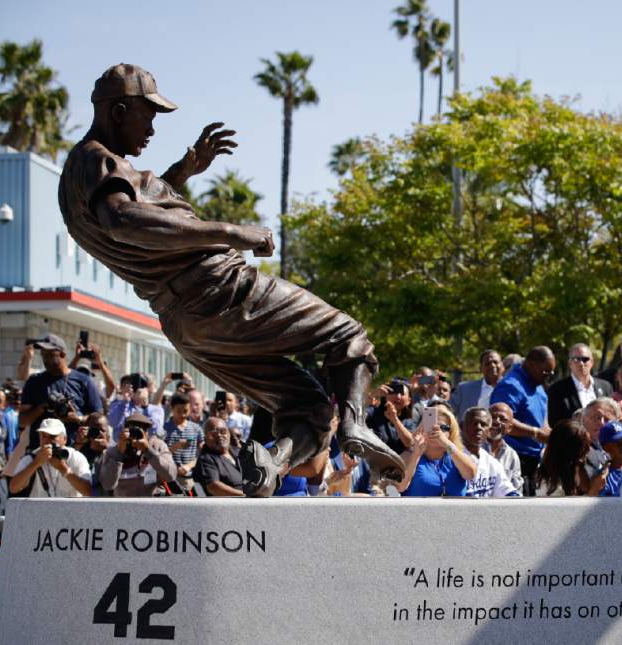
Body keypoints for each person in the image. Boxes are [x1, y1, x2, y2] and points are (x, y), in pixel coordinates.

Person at [58, 63, 402, 495]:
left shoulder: (90, 173)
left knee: (308, 406)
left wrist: (183, 171)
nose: (152, 128)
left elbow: (138, 206)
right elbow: (125, 220)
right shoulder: (96, 158)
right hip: (217, 289)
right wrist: (232, 232)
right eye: (149, 116)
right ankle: (356, 425)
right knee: (349, 338)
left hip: (186, 322)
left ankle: (272, 463)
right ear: (120, 110)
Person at [13, 334, 102, 457]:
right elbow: (22, 421)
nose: (46, 359)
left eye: (50, 355)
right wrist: (43, 407)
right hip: (40, 452)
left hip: (73, 452)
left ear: (62, 355)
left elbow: (98, 418)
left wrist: (77, 418)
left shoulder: (83, 381)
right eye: (43, 355)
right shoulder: (35, 382)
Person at [490, 346, 555, 496]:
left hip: (534, 462)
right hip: (514, 460)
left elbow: (541, 420)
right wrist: (536, 433)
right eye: (545, 371)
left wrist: (551, 435)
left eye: (551, 372)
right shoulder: (511, 386)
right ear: (531, 363)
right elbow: (500, 423)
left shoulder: (537, 384)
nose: (548, 376)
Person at [397, 406, 477, 496]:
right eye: (432, 426)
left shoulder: (456, 456)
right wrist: (416, 454)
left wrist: (447, 444)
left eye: (443, 427)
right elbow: (400, 486)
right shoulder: (408, 456)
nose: (437, 430)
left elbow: (470, 475)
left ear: (451, 433)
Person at [9, 419, 92, 498]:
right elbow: (14, 488)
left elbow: (87, 491)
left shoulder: (75, 457)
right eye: (44, 436)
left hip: (70, 511)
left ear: (65, 439)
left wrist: (63, 469)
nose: (47, 441)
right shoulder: (32, 457)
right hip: (40, 510)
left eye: (53, 436)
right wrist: (36, 463)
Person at [99, 413, 177, 497]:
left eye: (143, 429)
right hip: (125, 505)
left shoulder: (157, 446)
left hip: (152, 503)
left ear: (147, 433)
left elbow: (171, 475)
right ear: (124, 431)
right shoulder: (113, 451)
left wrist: (148, 450)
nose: (136, 434)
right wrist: (119, 453)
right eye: (132, 429)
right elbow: (108, 485)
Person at [547, 343, 613, 427]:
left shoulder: (606, 386)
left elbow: (612, 416)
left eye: (585, 359)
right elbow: (554, 423)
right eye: (576, 359)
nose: (581, 363)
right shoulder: (557, 389)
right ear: (570, 363)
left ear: (592, 362)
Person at [536, 420, 605, 496]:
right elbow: (572, 507)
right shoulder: (550, 484)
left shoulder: (577, 466)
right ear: (570, 451)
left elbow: (585, 487)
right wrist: (594, 490)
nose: (588, 450)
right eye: (584, 446)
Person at [462, 408, 518, 497]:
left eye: (483, 424)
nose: (479, 427)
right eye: (474, 423)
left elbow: (508, 491)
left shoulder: (491, 462)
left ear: (489, 430)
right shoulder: (453, 457)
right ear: (462, 426)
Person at [195, 417, 245, 496]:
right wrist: (244, 495)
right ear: (205, 438)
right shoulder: (206, 459)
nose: (219, 435)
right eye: (213, 433)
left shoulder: (238, 452)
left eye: (223, 431)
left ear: (229, 434)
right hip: (227, 505)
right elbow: (214, 487)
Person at [163, 392, 203, 491]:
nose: (182, 414)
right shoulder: (164, 429)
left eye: (185, 411)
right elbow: (159, 455)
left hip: (190, 479)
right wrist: (175, 447)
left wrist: (189, 466)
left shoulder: (196, 428)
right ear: (172, 409)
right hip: (169, 479)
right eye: (179, 411)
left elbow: (203, 453)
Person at [107, 373, 164, 440]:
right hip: (122, 447)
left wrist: (145, 406)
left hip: (145, 447)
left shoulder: (156, 410)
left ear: (147, 390)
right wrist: (125, 401)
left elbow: (155, 430)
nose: (136, 391)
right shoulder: (119, 404)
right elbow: (113, 423)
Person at [451, 350, 504, 421]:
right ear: (480, 368)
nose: (492, 365)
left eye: (495, 362)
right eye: (487, 363)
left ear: (503, 366)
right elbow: (448, 411)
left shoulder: (511, 389)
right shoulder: (464, 389)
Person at [486, 402, 523, 495]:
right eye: (492, 417)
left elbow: (516, 490)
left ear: (509, 428)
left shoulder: (512, 456)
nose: (496, 421)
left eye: (502, 419)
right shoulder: (473, 449)